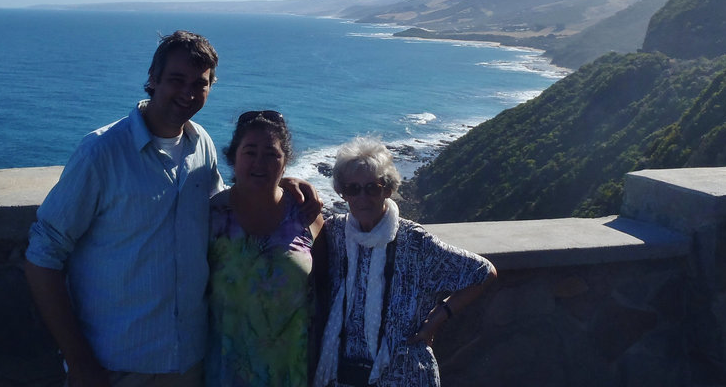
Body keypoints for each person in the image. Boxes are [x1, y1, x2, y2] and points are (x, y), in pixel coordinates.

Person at [24, 31, 319, 387]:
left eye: (201, 83)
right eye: (177, 80)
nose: (189, 93)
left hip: (189, 362)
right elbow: (43, 254)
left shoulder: (202, 146)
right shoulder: (101, 153)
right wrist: (79, 361)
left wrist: (280, 184)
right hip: (115, 364)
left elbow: (225, 204)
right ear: (153, 78)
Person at [314, 138, 496, 387]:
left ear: (387, 189)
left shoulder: (414, 241)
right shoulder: (335, 233)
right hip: (344, 374)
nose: (362, 197)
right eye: (353, 188)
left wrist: (436, 320)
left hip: (404, 374)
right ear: (342, 192)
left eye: (372, 188)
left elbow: (483, 272)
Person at [206, 110, 324, 387]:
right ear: (233, 158)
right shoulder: (210, 215)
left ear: (286, 163)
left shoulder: (306, 214)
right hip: (223, 372)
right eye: (250, 152)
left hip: (291, 371)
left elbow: (325, 288)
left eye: (272, 154)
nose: (260, 162)